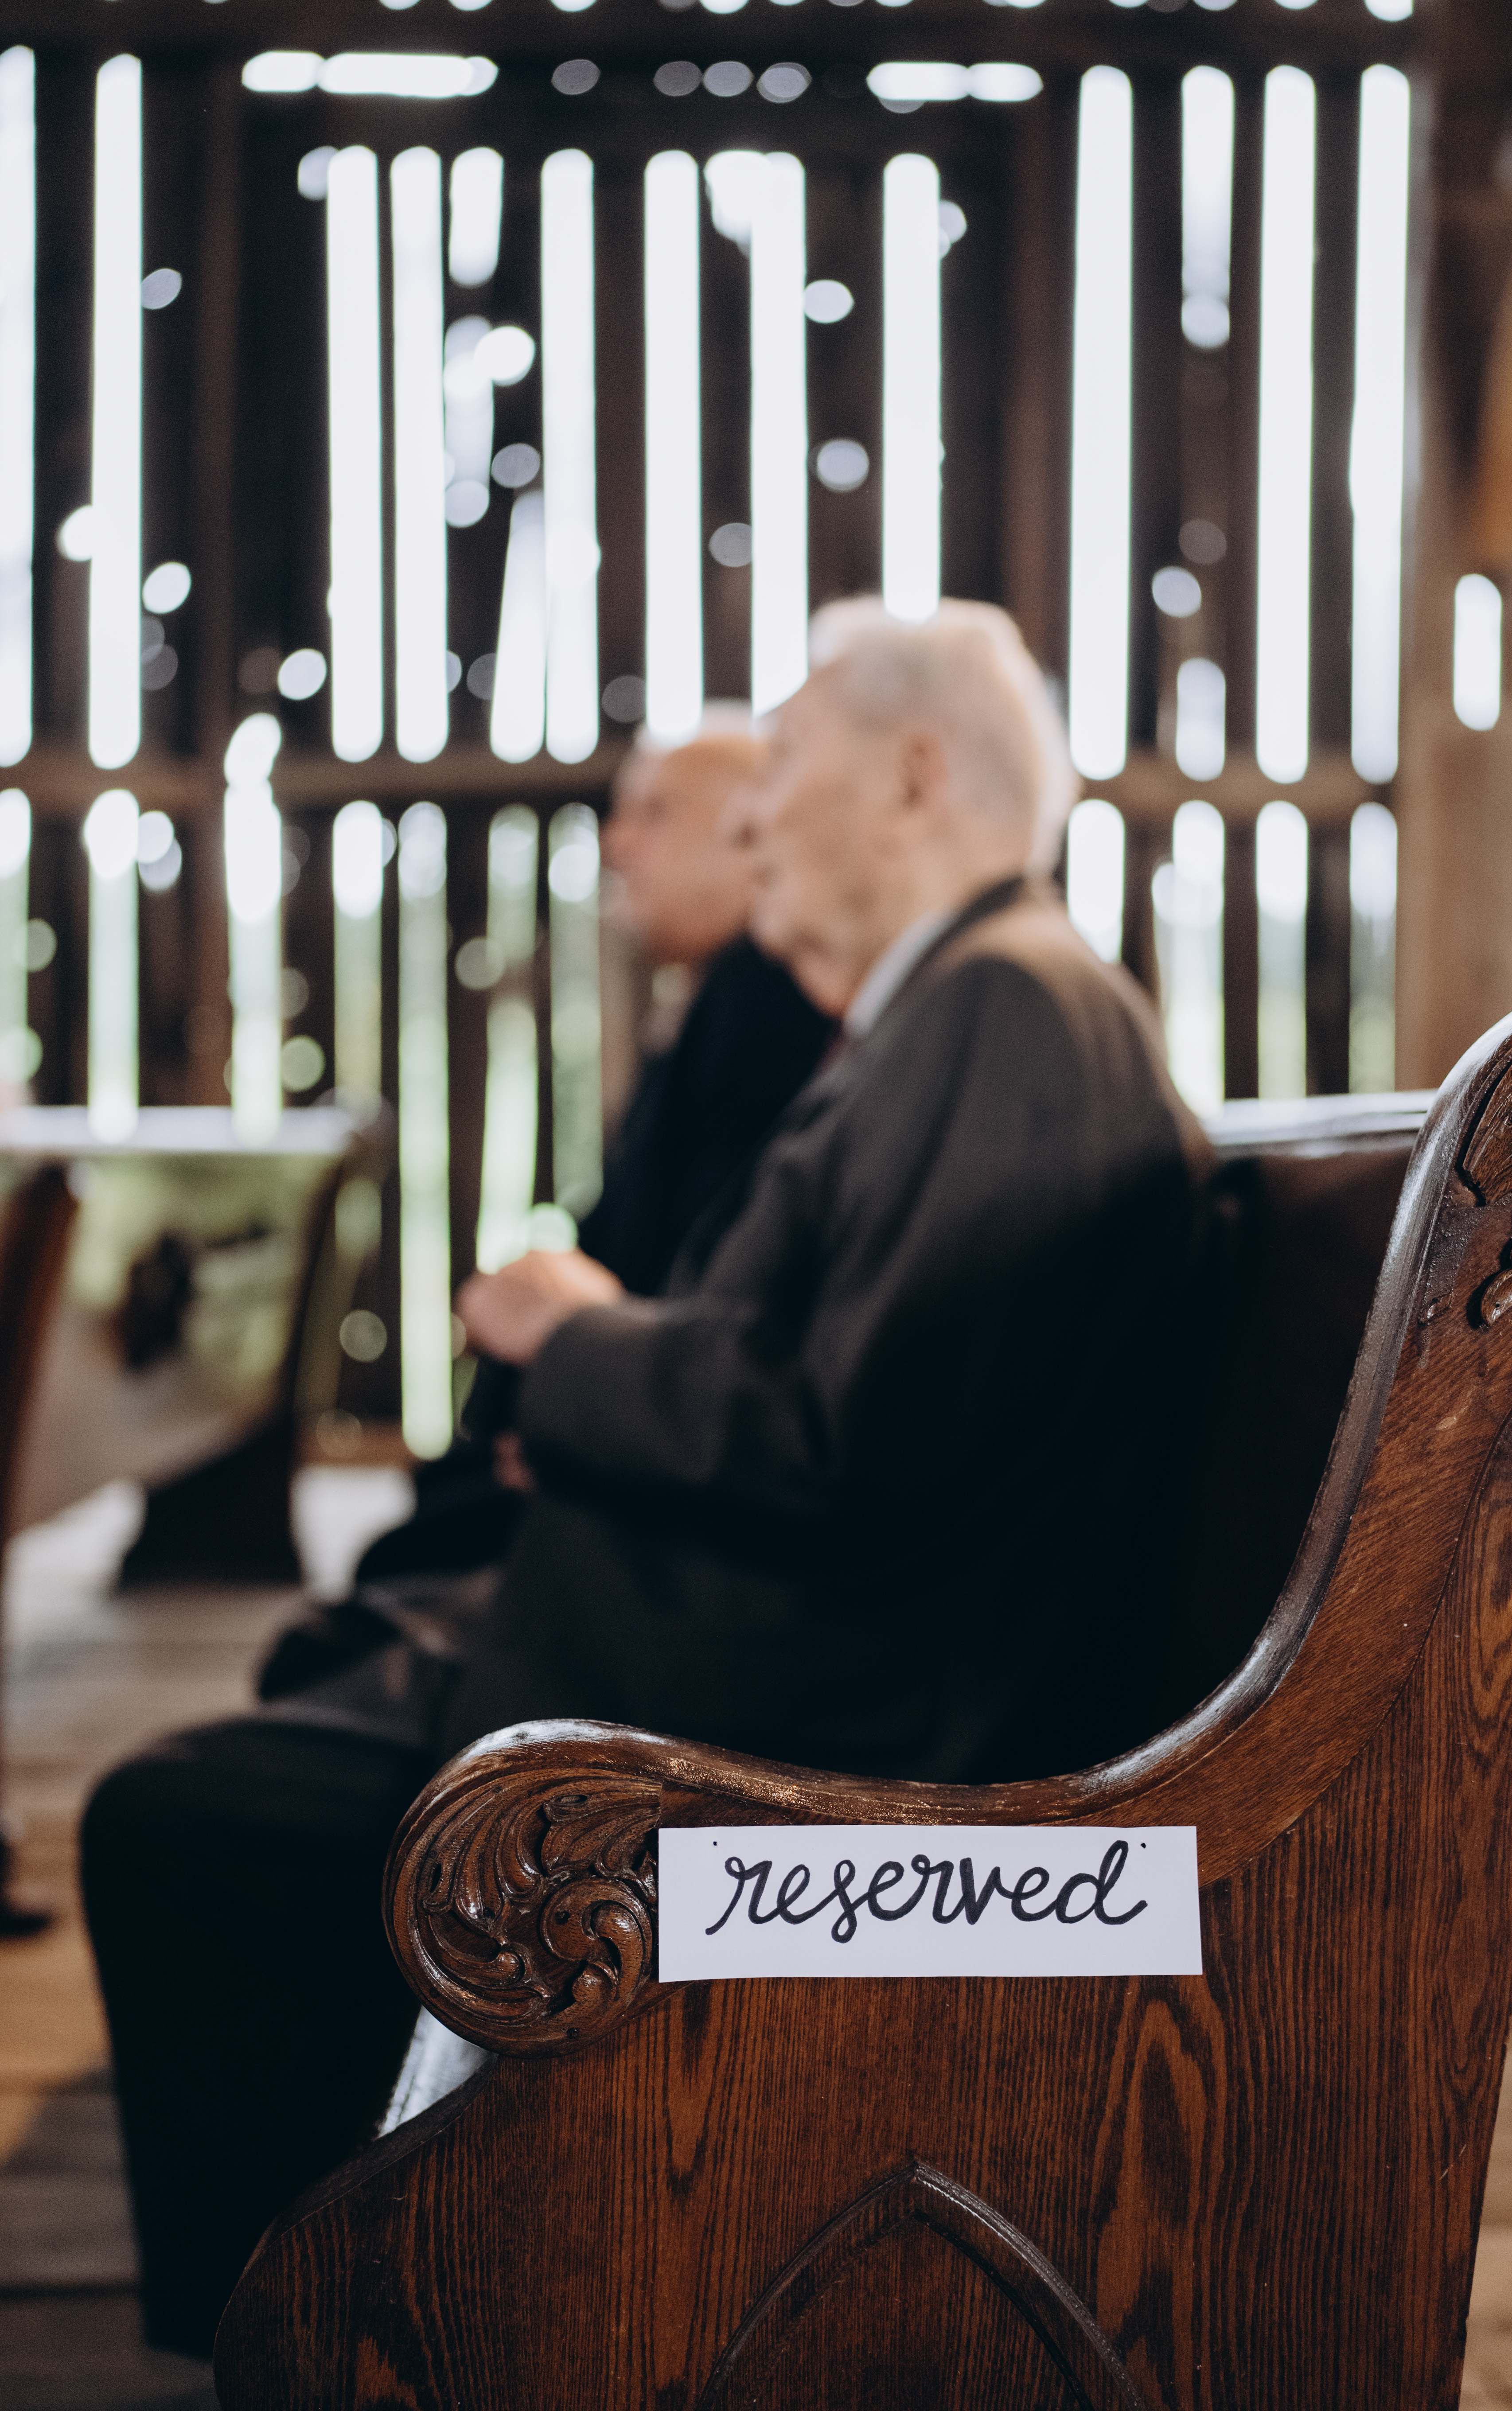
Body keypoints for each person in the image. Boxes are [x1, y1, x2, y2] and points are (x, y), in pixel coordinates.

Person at [81, 598, 1206, 2357]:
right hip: (760, 1663)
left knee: (177, 1822)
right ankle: (350, 2302)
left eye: (791, 755)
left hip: (811, 1734)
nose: (754, 807)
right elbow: (845, 1398)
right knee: (269, 1740)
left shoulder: (1002, 1007)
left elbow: (843, 1439)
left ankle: (309, 2340)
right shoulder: (967, 1005)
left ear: (914, 776)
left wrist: (575, 1348)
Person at [257, 724, 834, 1693]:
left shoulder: (763, 1005)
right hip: (609, 1420)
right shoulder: (717, 999)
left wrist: (583, 1398)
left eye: (653, 813)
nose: (618, 843)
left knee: (341, 1638)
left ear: (748, 840)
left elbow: (699, 1282)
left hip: (638, 1465)